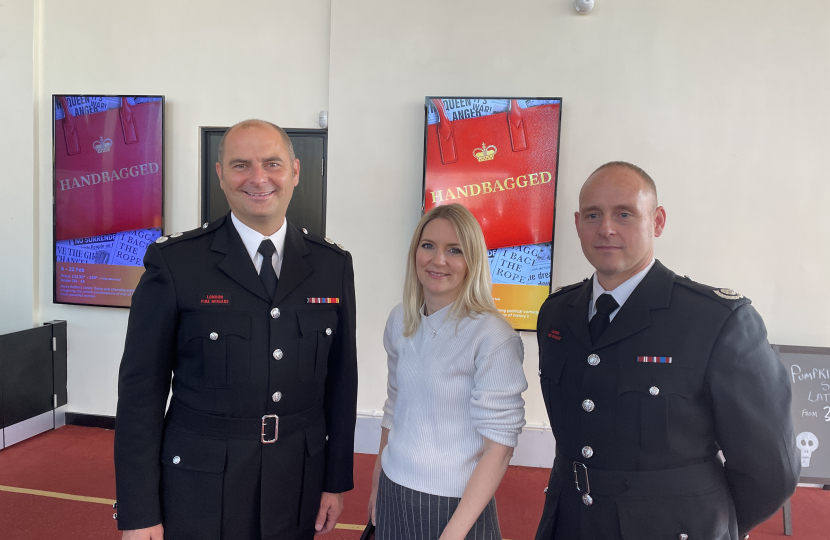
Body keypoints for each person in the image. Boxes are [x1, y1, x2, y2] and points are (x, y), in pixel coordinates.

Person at [114, 119, 357, 540]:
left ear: (295, 172)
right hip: (202, 483)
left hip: (296, 478)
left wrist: (334, 479)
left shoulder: (331, 266)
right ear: (220, 174)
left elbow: (341, 383)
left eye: (273, 164)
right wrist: (138, 510)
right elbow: (141, 393)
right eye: (241, 164)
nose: (259, 178)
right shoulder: (176, 264)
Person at [534, 161, 800, 540]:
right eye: (593, 214)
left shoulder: (715, 320)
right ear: (577, 223)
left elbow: (771, 469)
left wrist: (711, 519)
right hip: (570, 523)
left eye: (624, 214)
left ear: (657, 222)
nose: (606, 228)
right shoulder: (558, 313)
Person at [369, 204, 528, 540]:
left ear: (472, 261)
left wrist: (452, 535)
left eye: (454, 250)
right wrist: (376, 487)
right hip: (393, 490)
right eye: (428, 245)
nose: (438, 260)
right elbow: (394, 407)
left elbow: (499, 449)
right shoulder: (400, 320)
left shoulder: (493, 336)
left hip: (456, 509)